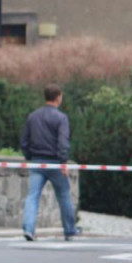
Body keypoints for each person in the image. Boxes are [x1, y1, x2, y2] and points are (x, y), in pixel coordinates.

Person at [20, 84, 80, 241]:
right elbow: (63, 142)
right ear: (58, 97)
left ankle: (28, 229)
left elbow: (24, 141)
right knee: (64, 196)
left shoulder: (33, 116)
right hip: (54, 163)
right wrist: (63, 162)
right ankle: (69, 230)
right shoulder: (61, 118)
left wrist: (29, 157)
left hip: (37, 163)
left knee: (32, 196)